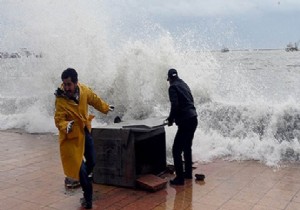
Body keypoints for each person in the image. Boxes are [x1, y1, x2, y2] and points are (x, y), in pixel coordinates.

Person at [54, 68, 114, 209]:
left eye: (69, 84)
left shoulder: (84, 90)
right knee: (81, 170)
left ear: (76, 82)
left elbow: (94, 99)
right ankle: (87, 199)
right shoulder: (60, 99)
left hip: (84, 131)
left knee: (92, 160)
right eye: (64, 84)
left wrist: (106, 107)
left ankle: (80, 179)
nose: (66, 87)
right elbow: (58, 119)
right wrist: (65, 125)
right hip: (70, 138)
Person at [166, 68, 198, 185]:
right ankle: (188, 173)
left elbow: (175, 105)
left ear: (169, 78)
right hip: (193, 118)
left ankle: (179, 178)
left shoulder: (172, 87)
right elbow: (190, 100)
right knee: (187, 147)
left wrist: (170, 119)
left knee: (176, 150)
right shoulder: (184, 84)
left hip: (185, 121)